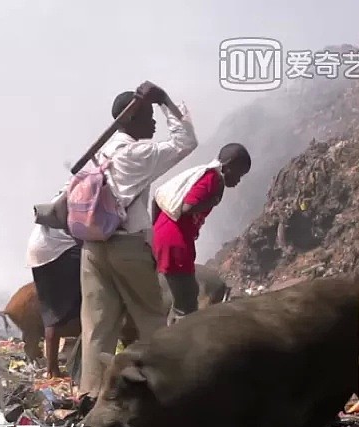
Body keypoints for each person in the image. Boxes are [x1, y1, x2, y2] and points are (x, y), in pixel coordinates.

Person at [79, 82, 198, 399]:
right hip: (127, 247)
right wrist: (165, 101)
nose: (154, 122)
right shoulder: (137, 153)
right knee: (152, 319)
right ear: (130, 121)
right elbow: (186, 141)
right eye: (148, 116)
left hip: (92, 247)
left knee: (97, 328)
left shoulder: (100, 153)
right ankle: (165, 393)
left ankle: (91, 396)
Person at [152, 143, 250, 325]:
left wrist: (155, 232)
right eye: (239, 173)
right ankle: (181, 346)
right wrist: (212, 200)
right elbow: (189, 206)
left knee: (182, 298)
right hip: (175, 241)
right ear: (228, 165)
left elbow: (157, 197)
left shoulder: (202, 175)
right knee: (187, 302)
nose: (238, 180)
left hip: (165, 236)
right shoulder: (213, 179)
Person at [25, 186, 82, 379]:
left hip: (39, 250)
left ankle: (53, 367)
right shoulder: (83, 194)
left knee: (52, 310)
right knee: (79, 305)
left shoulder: (65, 192)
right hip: (58, 250)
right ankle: (55, 368)